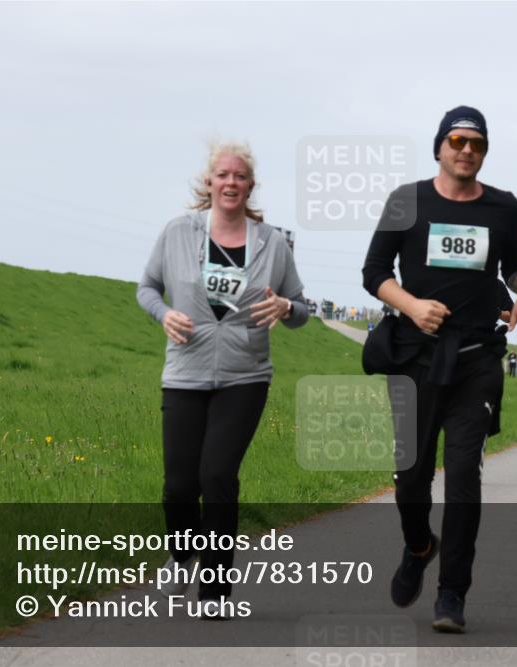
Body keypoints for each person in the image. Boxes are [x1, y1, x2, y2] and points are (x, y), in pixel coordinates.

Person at [361, 105, 517, 633]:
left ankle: (452, 595)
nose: (467, 150)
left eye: (477, 144)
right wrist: (412, 305)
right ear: (440, 146)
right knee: (411, 479)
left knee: (463, 476)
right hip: (416, 357)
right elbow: (374, 272)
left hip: (477, 358)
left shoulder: (504, 207)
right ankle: (419, 545)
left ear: (484, 153)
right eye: (458, 141)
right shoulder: (407, 201)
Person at [136, 141, 309, 619]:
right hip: (185, 373)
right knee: (177, 486)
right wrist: (165, 313)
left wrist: (286, 307)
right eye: (222, 175)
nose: (231, 183)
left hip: (245, 375)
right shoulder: (177, 233)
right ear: (208, 183)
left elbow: (301, 309)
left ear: (251, 186)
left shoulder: (272, 243)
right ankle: (182, 553)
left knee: (217, 477)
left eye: (240, 176)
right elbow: (146, 288)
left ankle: (214, 593)